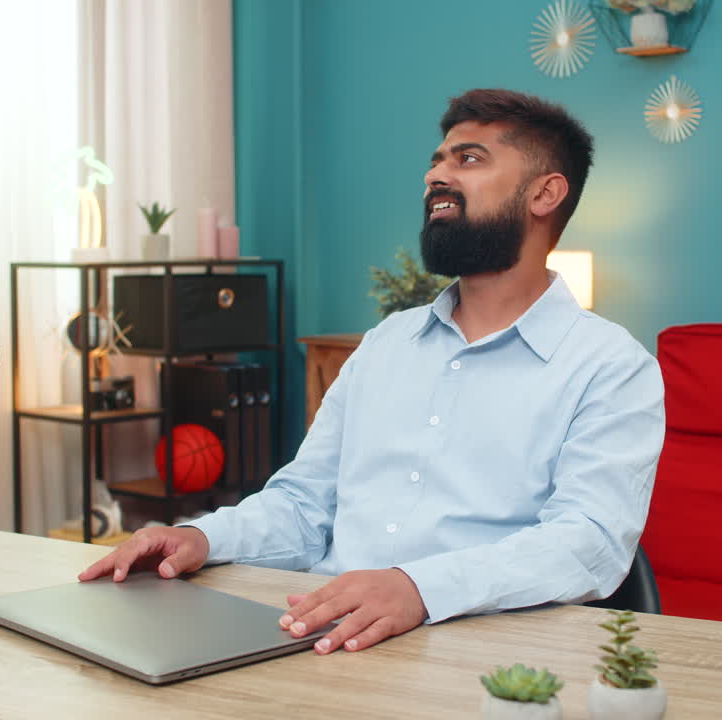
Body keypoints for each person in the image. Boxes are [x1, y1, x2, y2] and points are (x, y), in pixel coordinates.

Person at [79, 88, 665, 656]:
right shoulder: (387, 343)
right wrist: (201, 537)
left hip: (488, 663)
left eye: (469, 159)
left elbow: (587, 547)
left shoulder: (612, 369)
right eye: (436, 161)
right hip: (321, 638)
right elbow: (304, 506)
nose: (437, 175)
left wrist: (418, 589)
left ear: (545, 194)